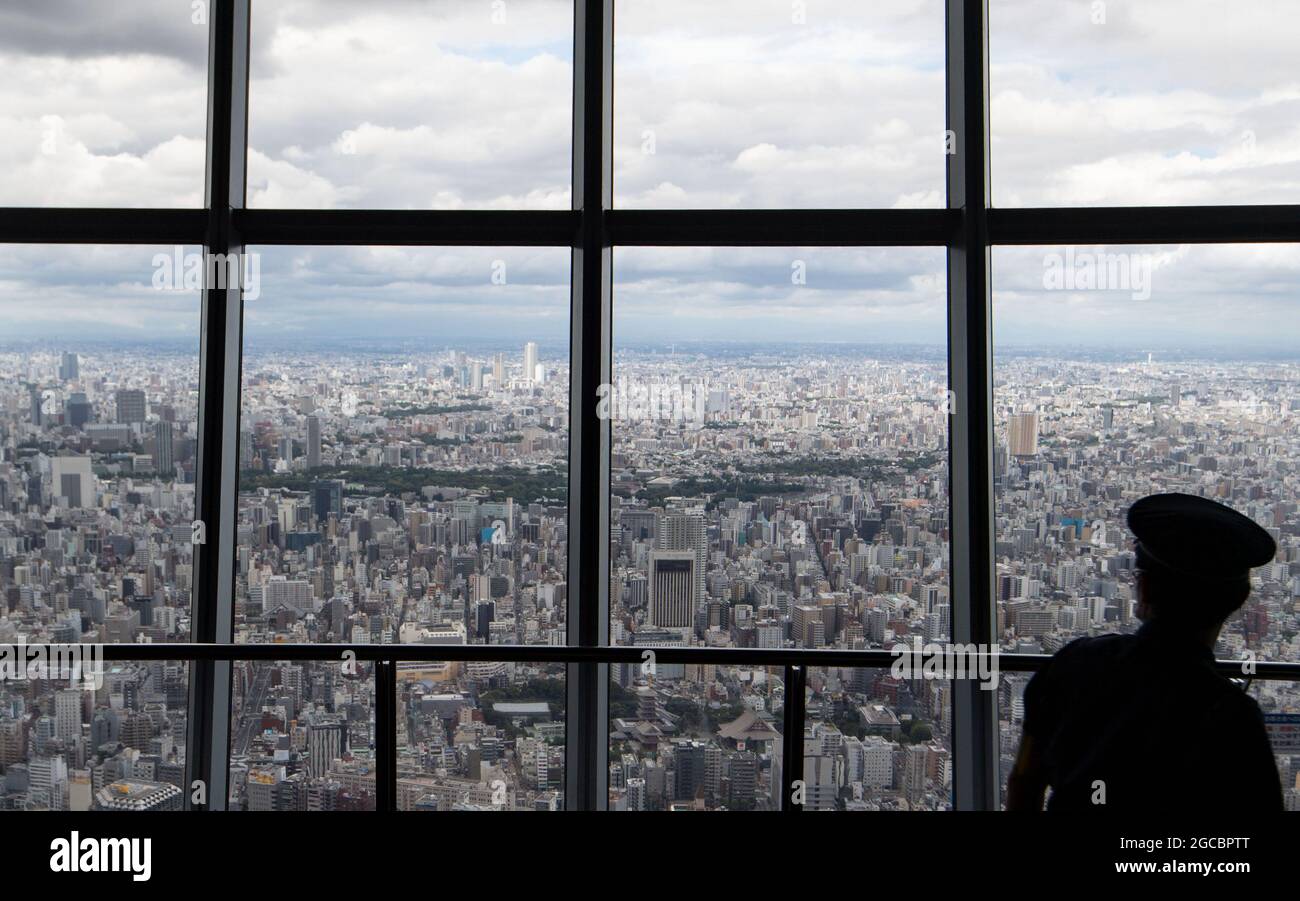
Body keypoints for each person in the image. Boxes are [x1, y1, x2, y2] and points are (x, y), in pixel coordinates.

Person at [1006, 492, 1283, 812]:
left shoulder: (1073, 664)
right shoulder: (1232, 718)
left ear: (1146, 588)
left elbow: (1024, 781)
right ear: (1236, 602)